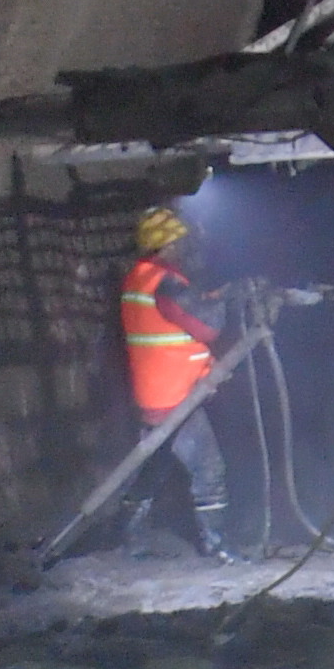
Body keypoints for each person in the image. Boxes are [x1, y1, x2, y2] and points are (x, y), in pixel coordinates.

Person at [112, 203, 224, 553]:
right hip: (178, 398)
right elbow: (207, 328)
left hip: (154, 395)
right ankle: (217, 546)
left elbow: (178, 313)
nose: (187, 249)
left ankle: (130, 543)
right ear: (168, 245)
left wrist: (214, 295)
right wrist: (230, 298)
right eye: (181, 242)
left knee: (153, 469)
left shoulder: (139, 277)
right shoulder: (166, 283)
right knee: (209, 470)